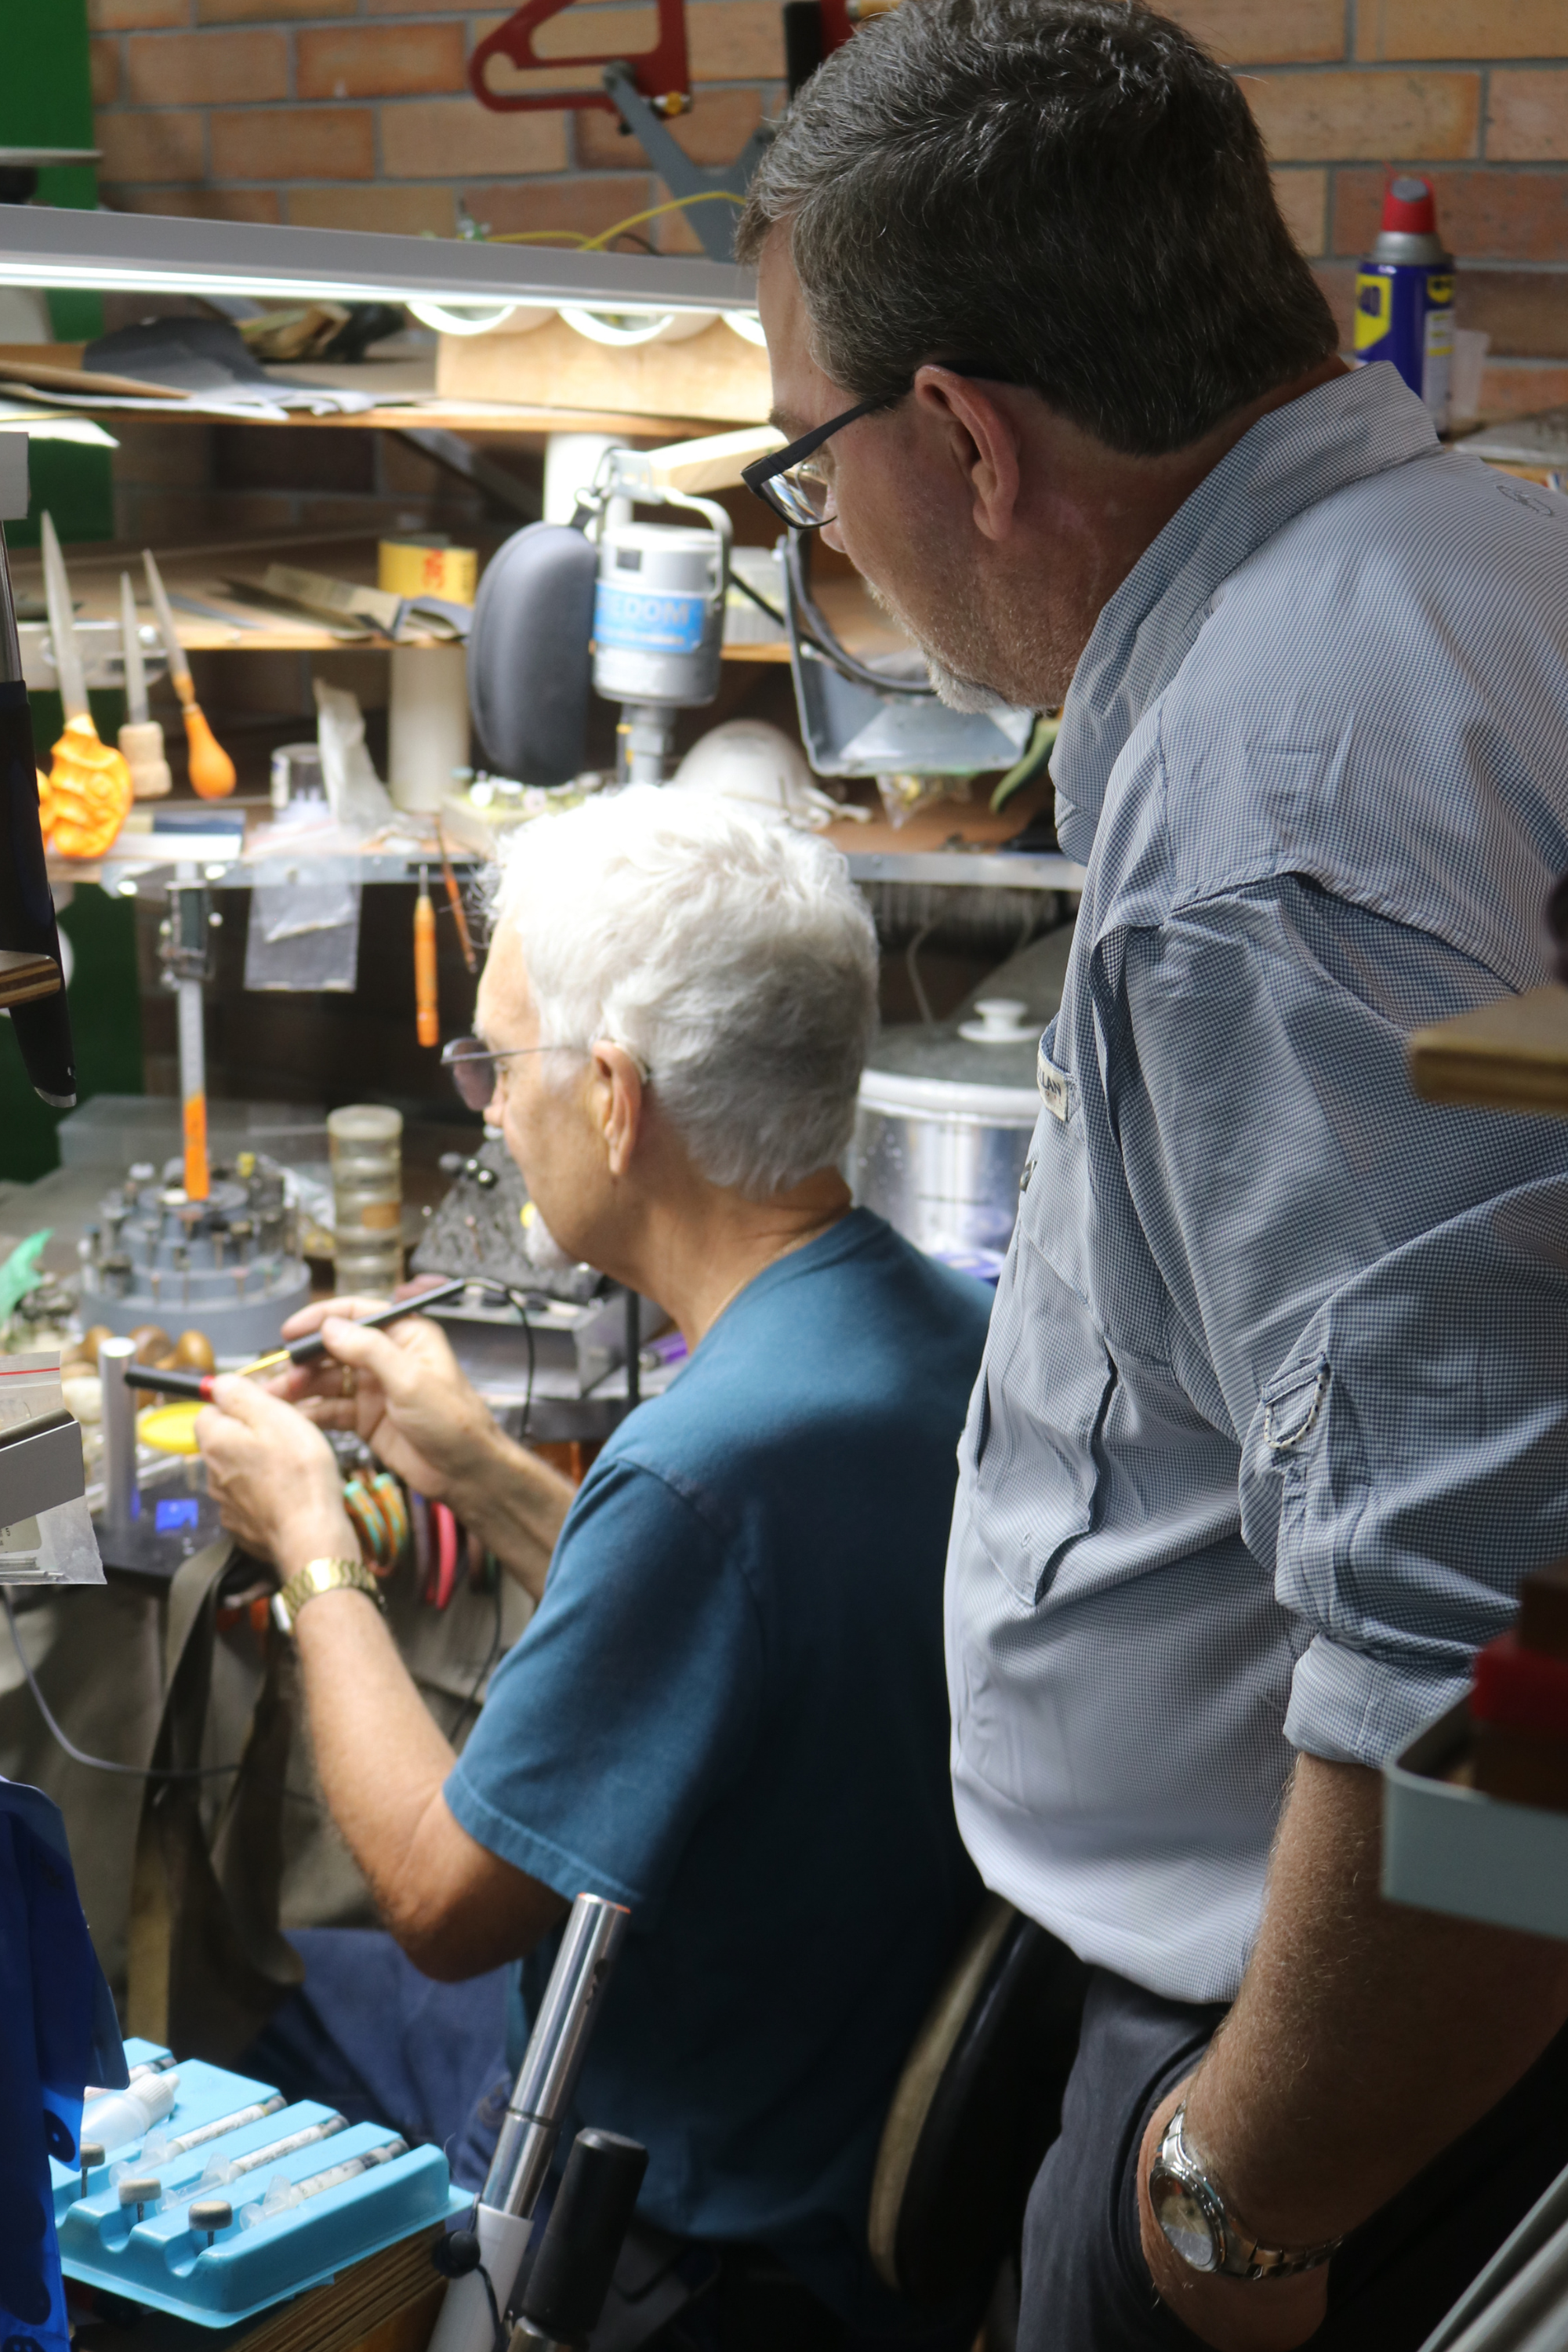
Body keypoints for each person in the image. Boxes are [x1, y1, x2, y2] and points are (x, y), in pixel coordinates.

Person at [738, 4, 1568, 2348]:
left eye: (810, 466)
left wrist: (1238, 2195)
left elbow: (1496, 1658)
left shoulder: (1270, 828)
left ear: (964, 439)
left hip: (1349, 2082)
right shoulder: (1480, 573)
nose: (826, 537)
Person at [195, 787, 989, 2347]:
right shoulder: (937, 1334)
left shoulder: (704, 1466)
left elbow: (439, 1897)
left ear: (616, 1100)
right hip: (851, 2121)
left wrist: (306, 1540)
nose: (487, 1110)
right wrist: (477, 1470)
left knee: (251, 1982)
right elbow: (742, 1627)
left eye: (498, 1064)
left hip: (688, 2219)